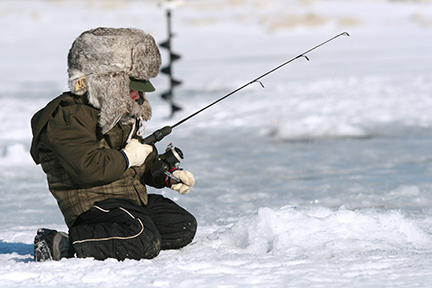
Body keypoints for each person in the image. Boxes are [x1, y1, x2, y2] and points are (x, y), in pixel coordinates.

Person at [30, 27, 197, 261]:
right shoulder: (69, 118)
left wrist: (167, 175)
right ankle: (62, 244)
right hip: (93, 205)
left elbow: (144, 164)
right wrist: (128, 158)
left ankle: (120, 237)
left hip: (127, 199)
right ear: (107, 85)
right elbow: (88, 168)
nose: (138, 96)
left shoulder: (123, 115)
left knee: (181, 225)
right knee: (143, 238)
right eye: (132, 89)